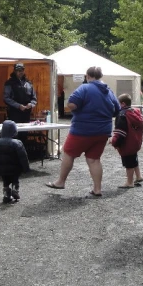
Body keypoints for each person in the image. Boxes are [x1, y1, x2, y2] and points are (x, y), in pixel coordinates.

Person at [45, 66, 120, 197]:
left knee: (68, 153)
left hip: (82, 130)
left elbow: (71, 103)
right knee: (94, 159)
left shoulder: (85, 88)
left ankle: (61, 182)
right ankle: (97, 189)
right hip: (103, 131)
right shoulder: (109, 91)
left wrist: (78, 110)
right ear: (101, 76)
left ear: (87, 76)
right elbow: (117, 110)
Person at [0, 120, 30, 204]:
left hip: (1, 169)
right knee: (15, 179)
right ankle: (15, 189)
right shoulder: (17, 143)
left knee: (5, 181)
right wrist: (26, 168)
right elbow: (23, 157)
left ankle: (6, 195)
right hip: (15, 168)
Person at [111, 93, 143, 189]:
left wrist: (114, 141)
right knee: (133, 158)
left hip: (127, 143)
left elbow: (121, 132)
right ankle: (138, 176)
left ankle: (129, 182)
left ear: (122, 104)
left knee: (128, 163)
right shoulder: (136, 112)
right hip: (135, 141)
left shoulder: (122, 115)